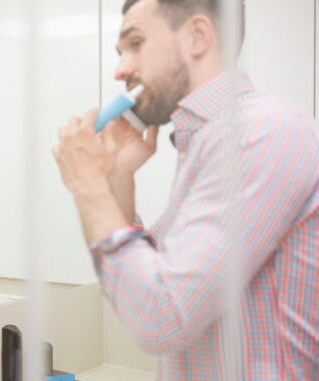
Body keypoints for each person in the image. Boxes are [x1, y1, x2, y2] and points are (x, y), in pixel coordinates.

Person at [52, 0, 318, 379]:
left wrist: (87, 185)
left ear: (198, 36)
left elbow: (161, 314)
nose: (121, 69)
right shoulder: (208, 147)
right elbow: (147, 283)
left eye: (137, 43)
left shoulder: (259, 131)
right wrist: (118, 179)